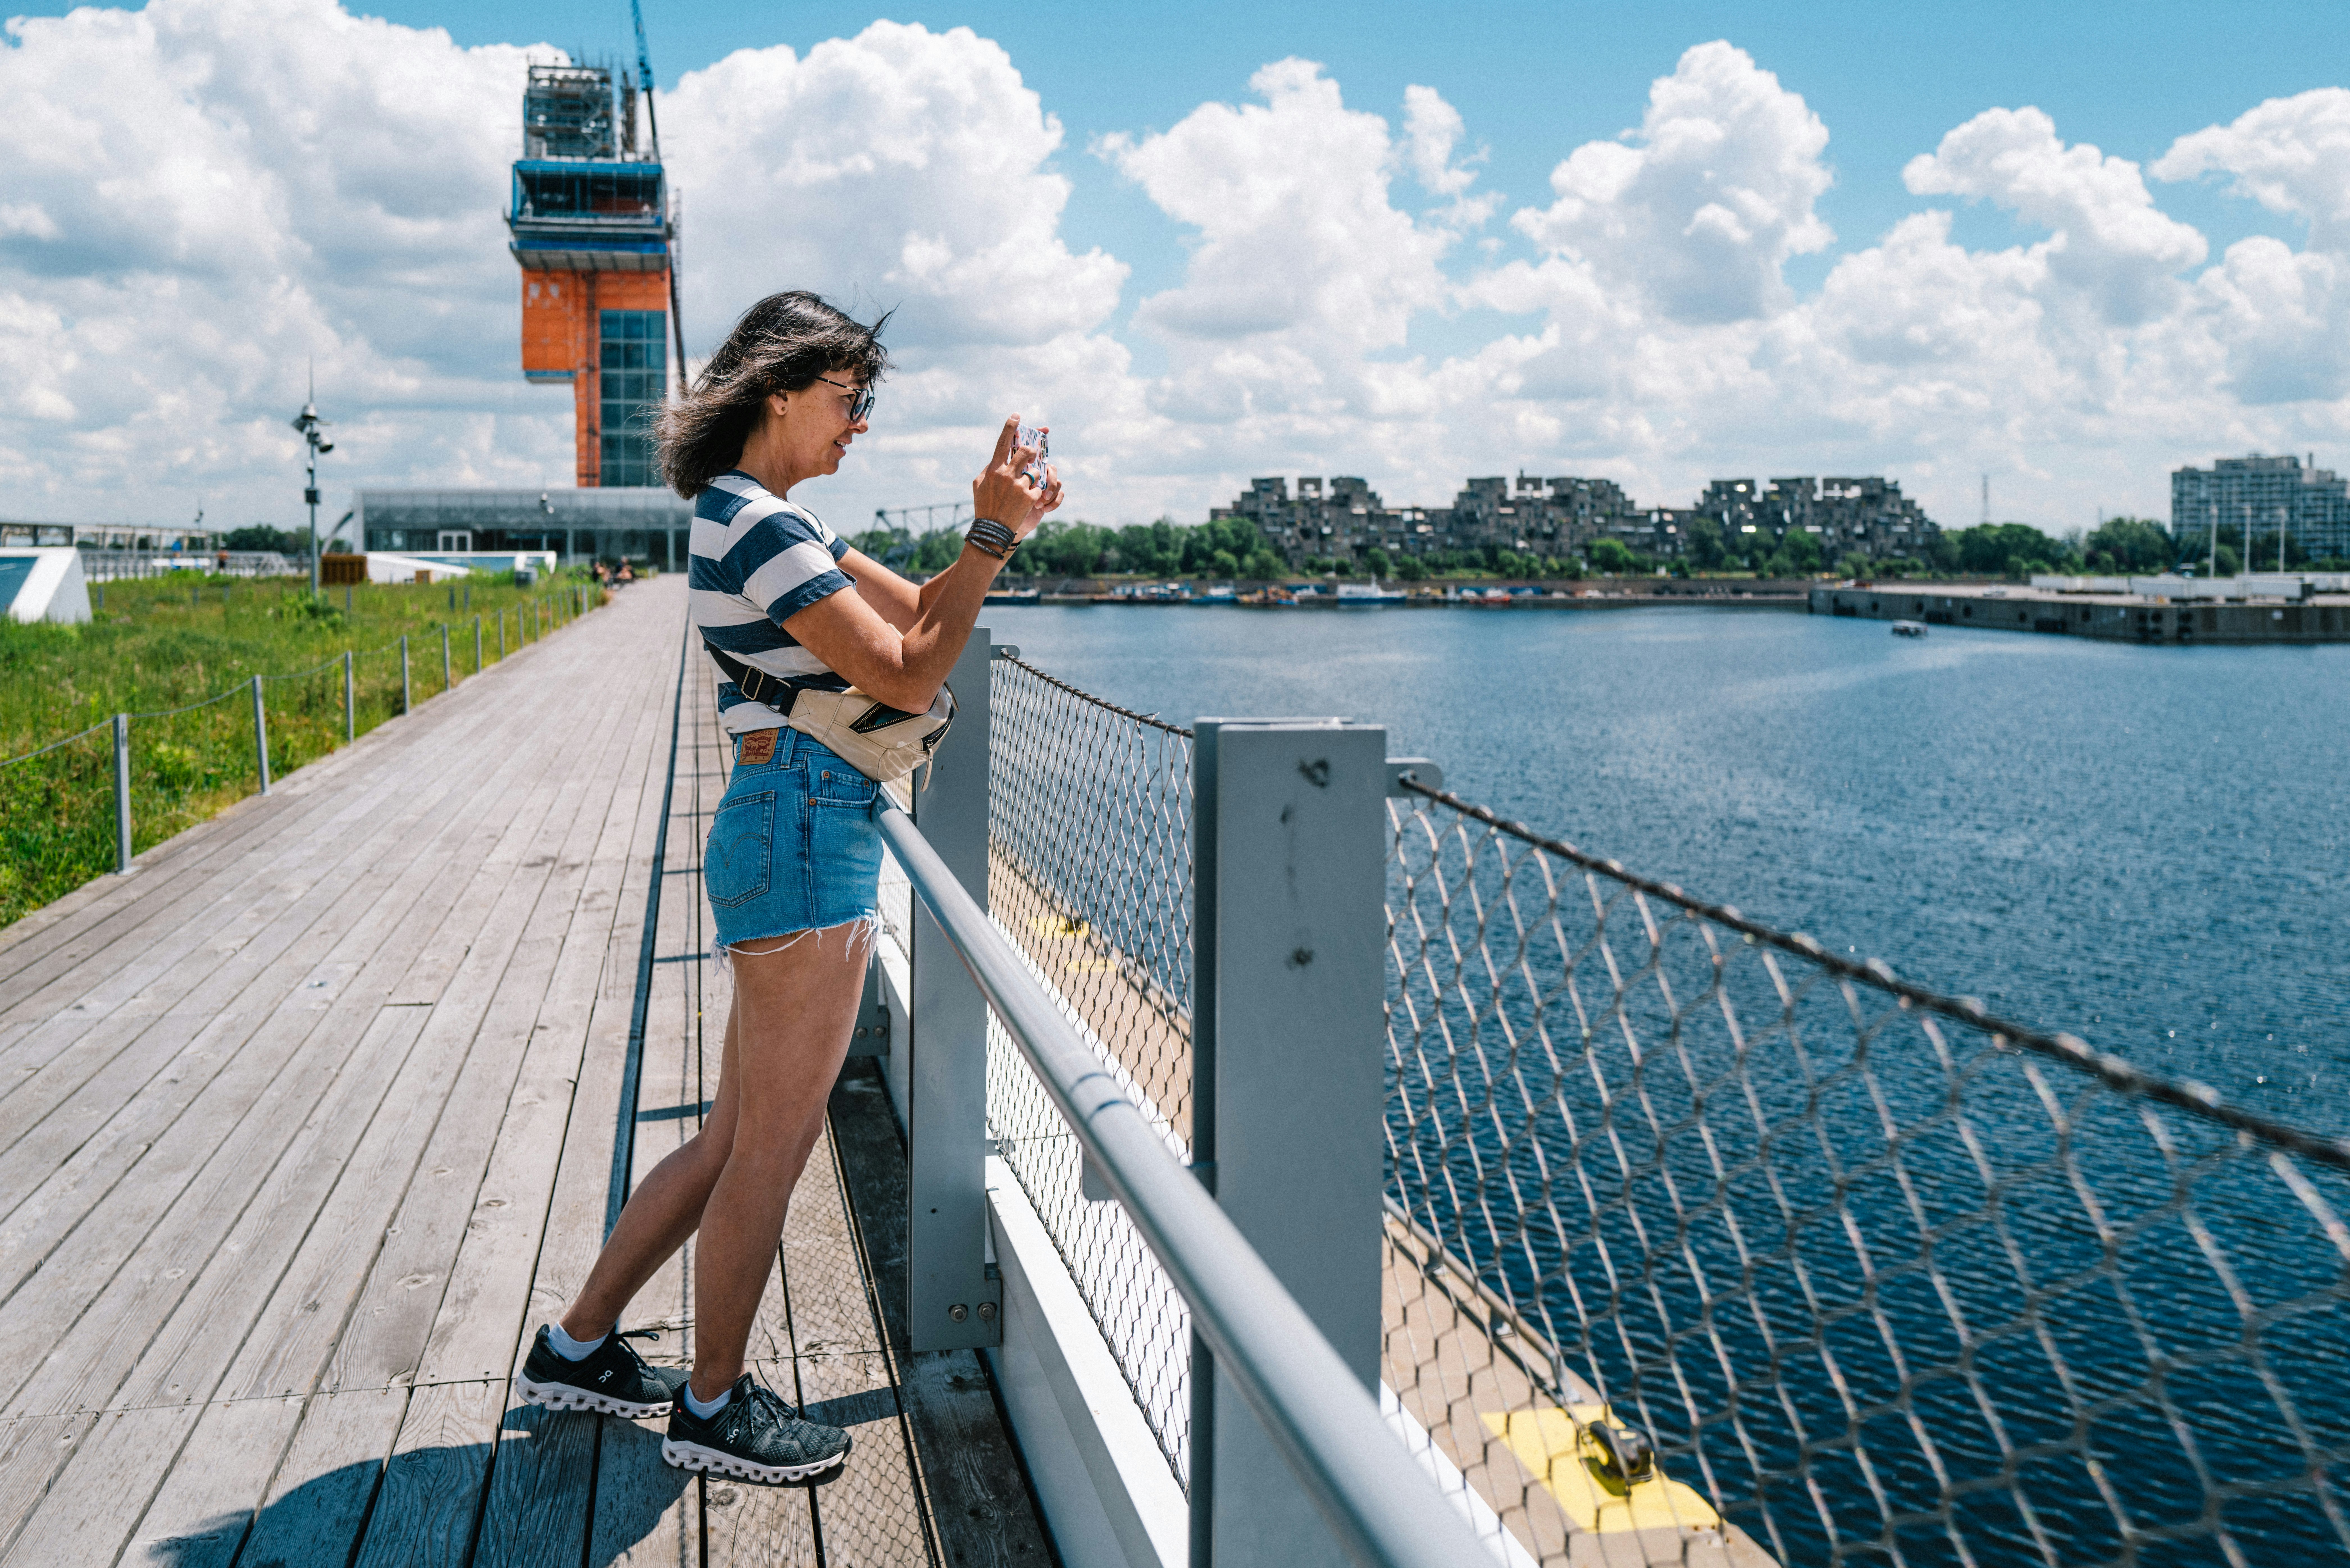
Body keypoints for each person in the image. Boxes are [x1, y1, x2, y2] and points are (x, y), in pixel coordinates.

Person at [513, 291, 1059, 1485]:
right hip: (808, 827)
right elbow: (913, 679)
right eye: (848, 398)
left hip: (791, 818)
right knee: (772, 1140)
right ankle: (712, 1407)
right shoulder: (756, 525)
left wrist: (990, 533)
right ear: (779, 388)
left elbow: (918, 616)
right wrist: (988, 538)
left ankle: (577, 1346)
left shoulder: (759, 521)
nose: (858, 423)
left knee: (730, 1136)